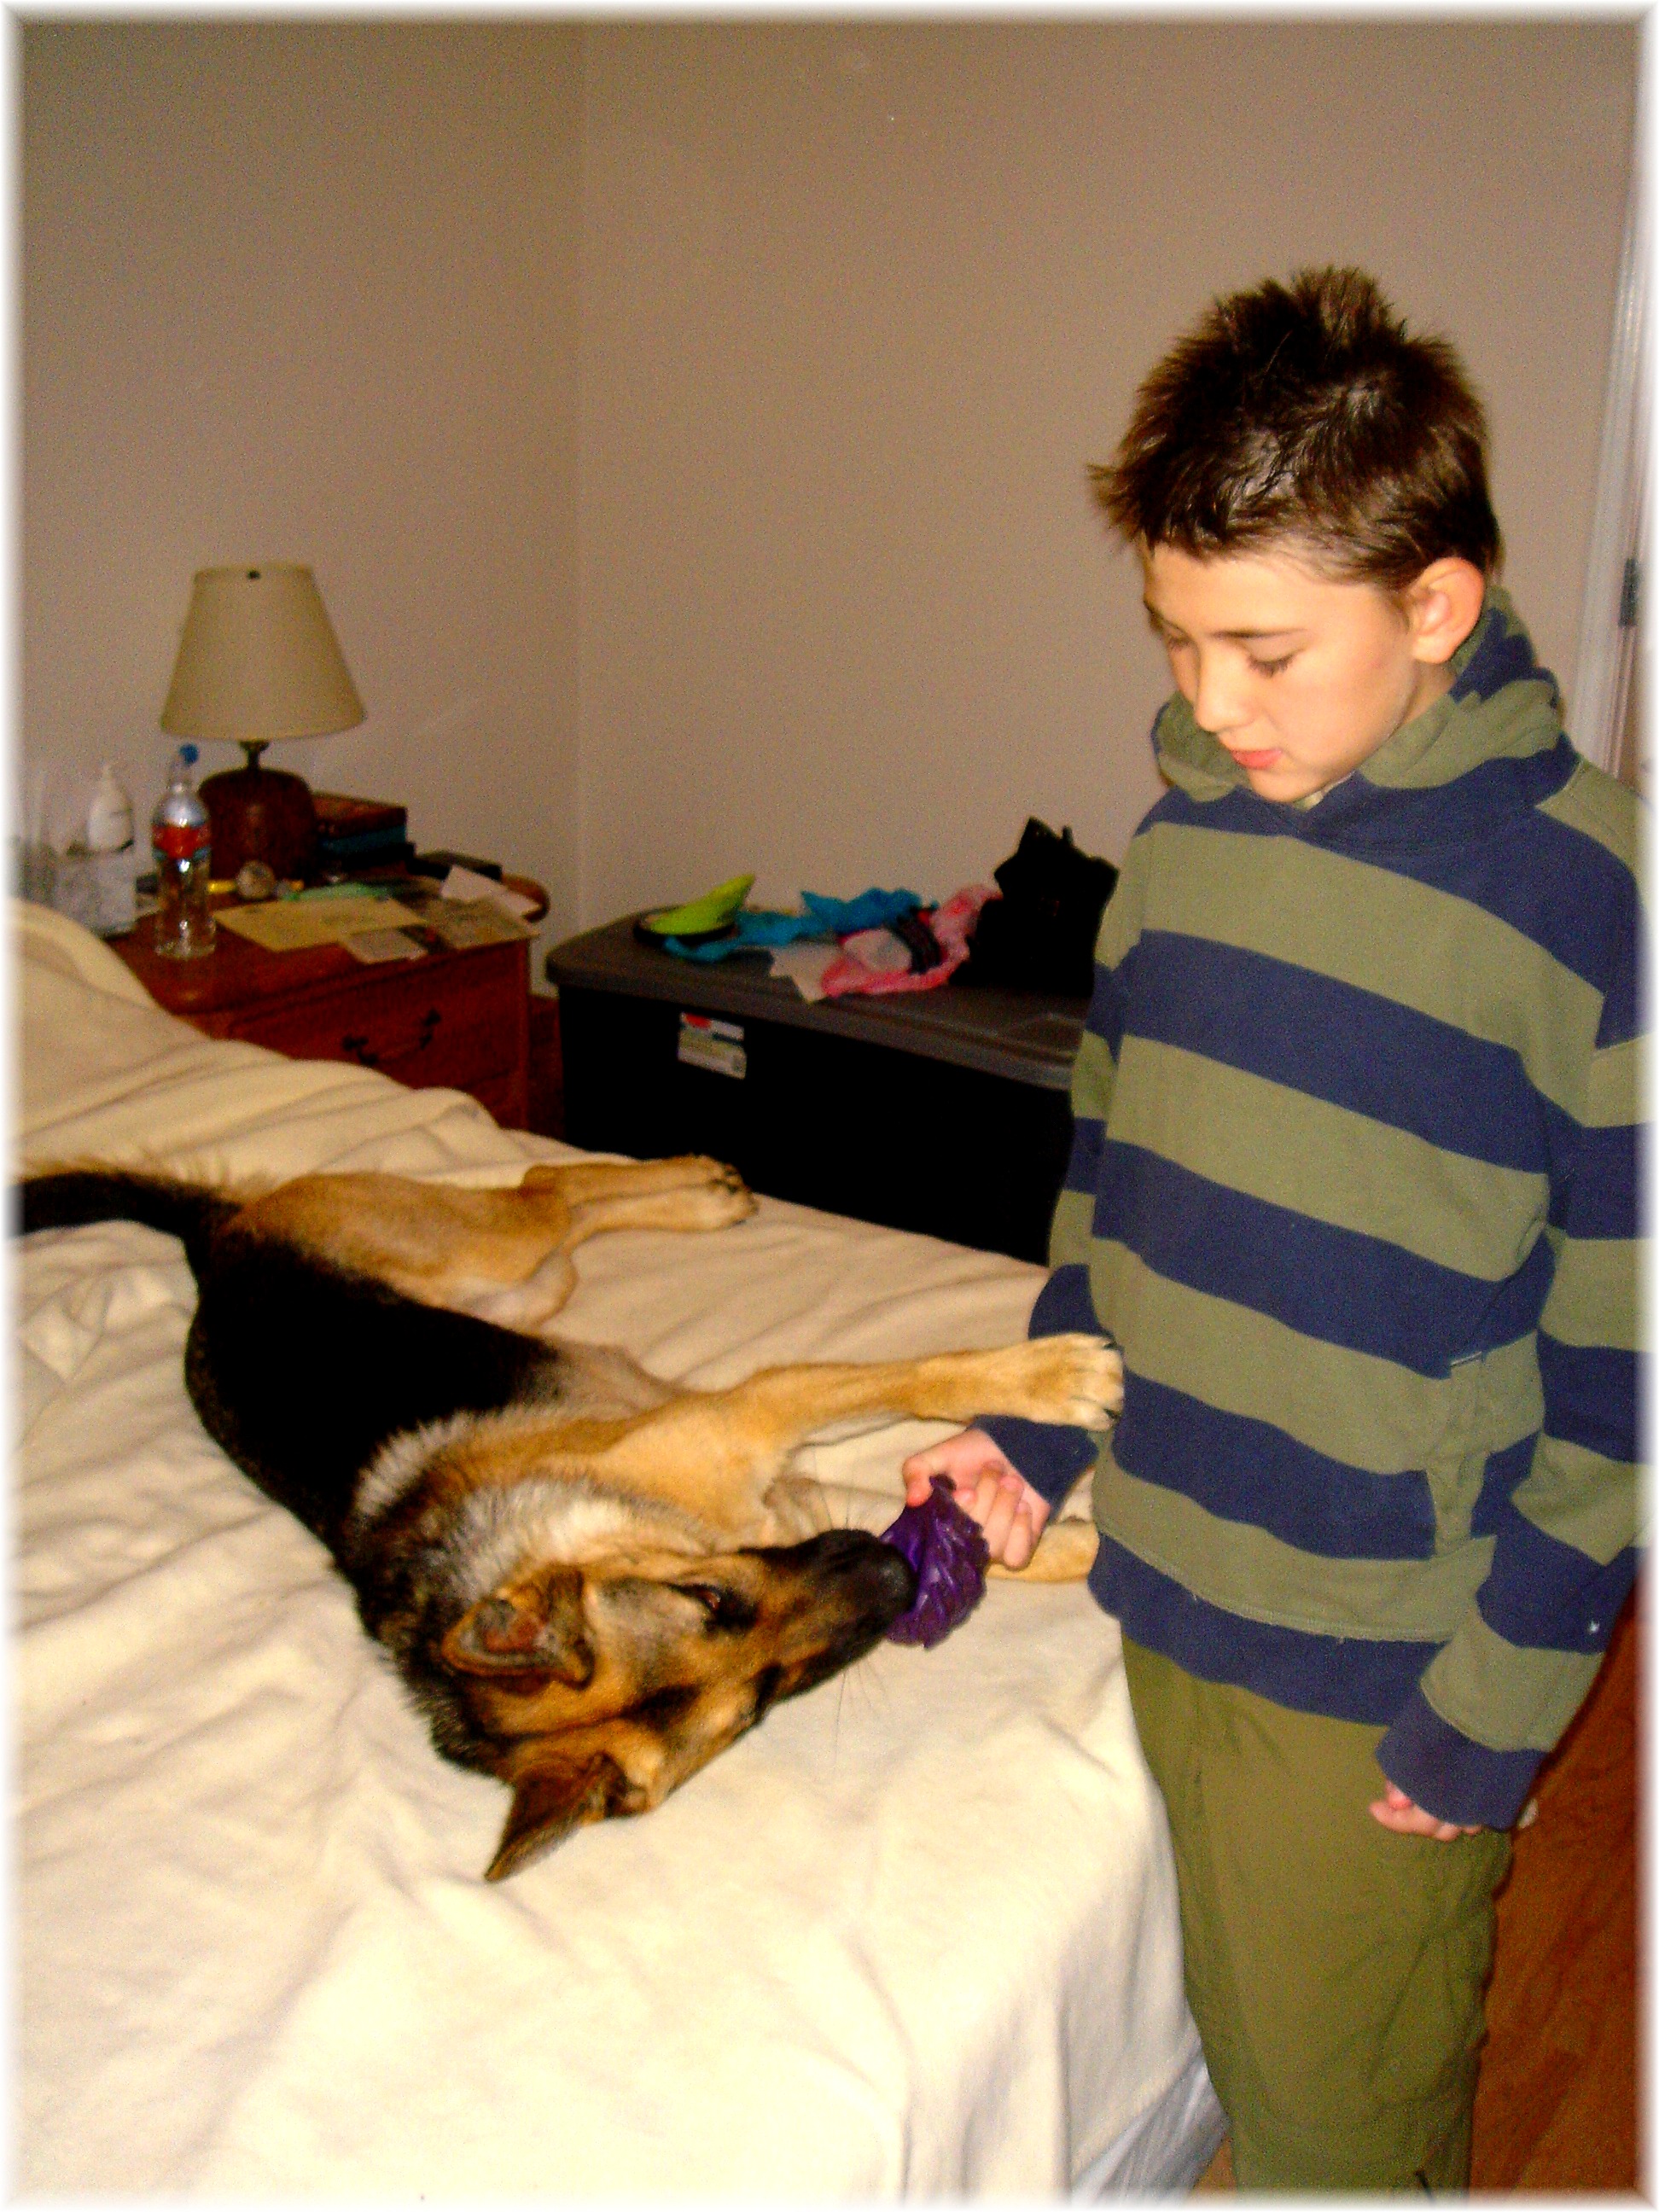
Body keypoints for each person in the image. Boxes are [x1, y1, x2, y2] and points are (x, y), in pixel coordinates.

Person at [905, 266, 1642, 2192]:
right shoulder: (1183, 856)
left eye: (1263, 650)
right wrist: (1039, 1426)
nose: (1205, 702)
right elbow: (1115, 1193)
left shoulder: (1596, 903)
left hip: (1381, 1645)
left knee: (1344, 2127)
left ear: (1435, 608)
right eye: (1176, 640)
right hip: (1166, 1576)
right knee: (1246, 2033)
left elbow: (1623, 1378)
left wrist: (1502, 1697)